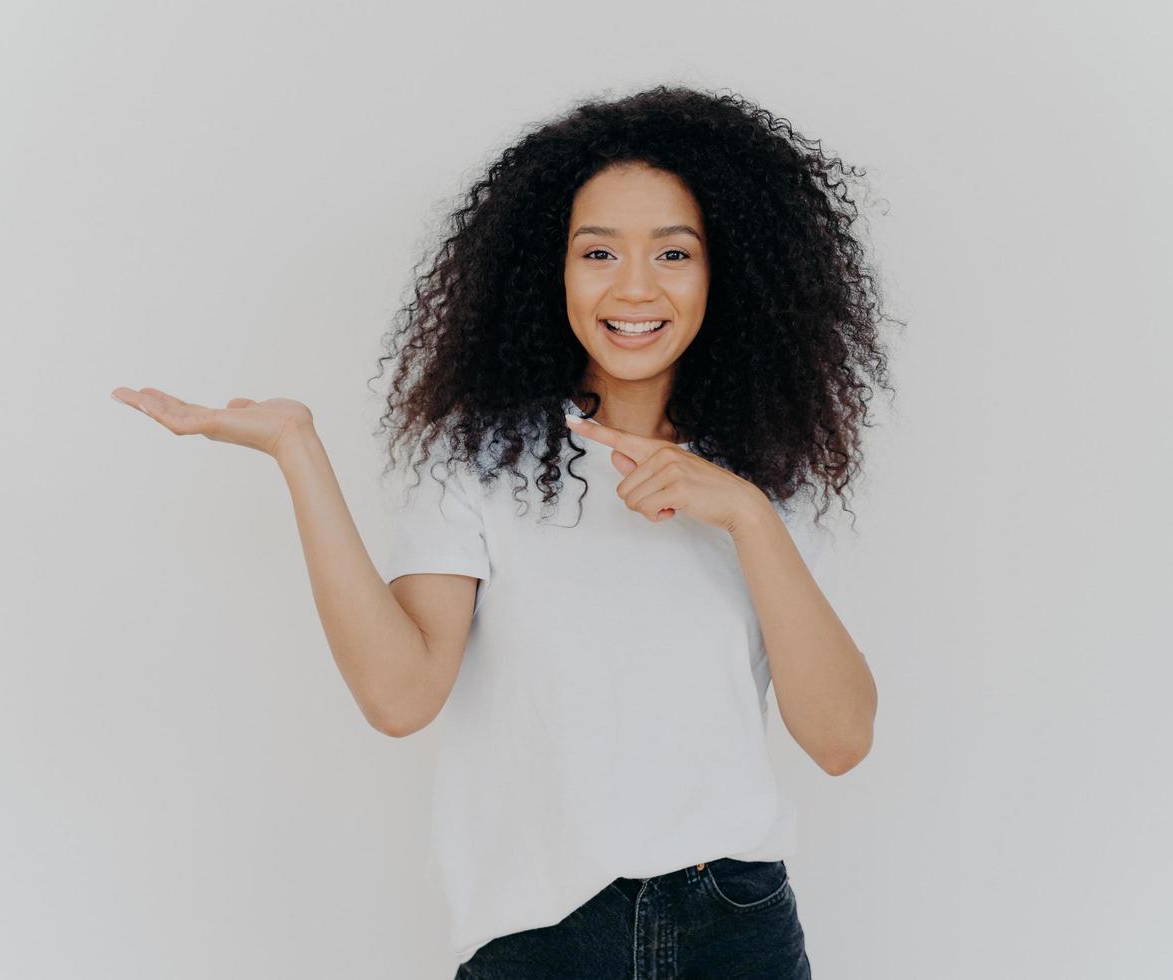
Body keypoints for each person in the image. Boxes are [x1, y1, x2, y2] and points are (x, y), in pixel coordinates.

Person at [112, 84, 892, 978]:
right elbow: (400, 698)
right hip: (541, 933)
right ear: (546, 269)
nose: (635, 287)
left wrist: (748, 517)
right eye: (597, 251)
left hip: (737, 924)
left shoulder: (765, 475)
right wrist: (297, 449)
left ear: (728, 273)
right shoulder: (482, 458)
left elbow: (840, 739)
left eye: (674, 253)